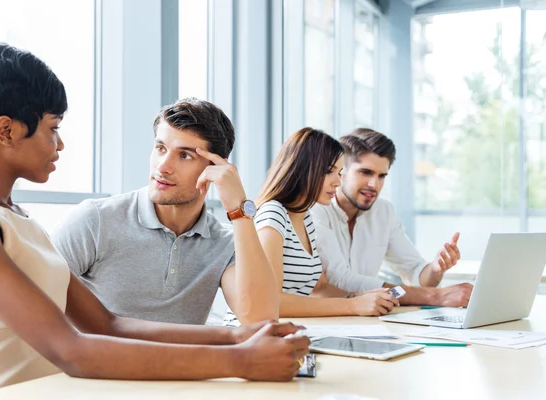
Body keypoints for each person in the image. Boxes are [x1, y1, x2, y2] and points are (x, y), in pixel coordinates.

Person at [0, 43, 309, 399]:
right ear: (7, 131)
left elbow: (108, 325)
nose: (60, 145)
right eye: (52, 128)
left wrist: (235, 338)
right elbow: (70, 349)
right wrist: (238, 361)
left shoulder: (20, 221)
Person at [52, 97, 279, 326]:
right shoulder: (95, 220)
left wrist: (239, 210)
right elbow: (37, 306)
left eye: (185, 155)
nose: (163, 167)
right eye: (160, 148)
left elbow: (259, 319)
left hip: (185, 362)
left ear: (216, 168)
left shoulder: (225, 242)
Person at [224, 128, 400, 326]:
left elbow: (320, 287)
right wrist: (353, 306)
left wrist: (357, 296)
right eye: (329, 171)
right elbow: (271, 302)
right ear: (303, 169)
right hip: (251, 339)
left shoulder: (305, 217)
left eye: (340, 173)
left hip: (286, 333)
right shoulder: (273, 215)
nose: (338, 182)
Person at [310, 128, 473, 307]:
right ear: (342, 171)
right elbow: (340, 281)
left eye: (382, 176)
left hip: (366, 320)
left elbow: (416, 274)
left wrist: (435, 269)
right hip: (326, 318)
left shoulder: (383, 211)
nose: (374, 184)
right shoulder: (316, 209)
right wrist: (434, 296)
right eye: (365, 172)